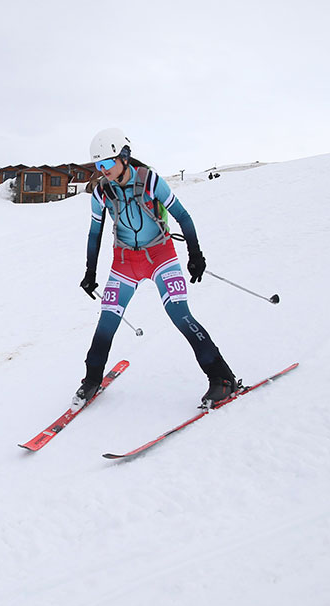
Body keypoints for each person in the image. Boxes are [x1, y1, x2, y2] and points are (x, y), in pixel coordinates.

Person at [75, 127, 238, 408]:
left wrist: (195, 255)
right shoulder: (101, 192)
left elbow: (183, 216)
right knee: (107, 320)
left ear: (124, 156)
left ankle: (222, 379)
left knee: (179, 314)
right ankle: (91, 379)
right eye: (97, 165)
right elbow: (94, 234)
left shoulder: (150, 180)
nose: (103, 170)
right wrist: (90, 273)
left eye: (107, 162)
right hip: (125, 262)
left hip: (161, 256)